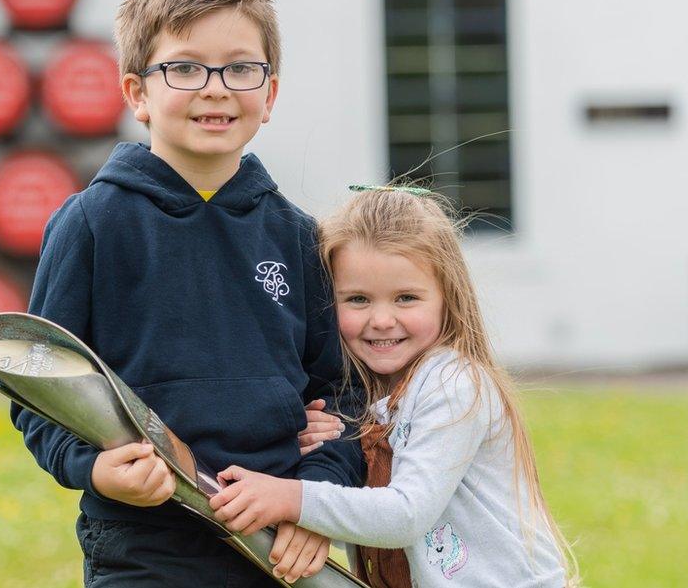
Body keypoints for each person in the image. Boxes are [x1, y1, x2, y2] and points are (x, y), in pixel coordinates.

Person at [12, 0, 363, 588]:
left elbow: (341, 393)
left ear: (271, 93)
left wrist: (314, 502)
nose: (215, 87)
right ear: (136, 93)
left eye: (240, 69)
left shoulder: (298, 237)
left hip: (279, 544)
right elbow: (39, 389)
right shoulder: (93, 224)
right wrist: (95, 468)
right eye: (184, 67)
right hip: (146, 548)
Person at [210, 186, 579, 587]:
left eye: (405, 297)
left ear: (447, 298)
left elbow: (406, 515)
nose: (382, 319)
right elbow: (363, 517)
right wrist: (305, 442)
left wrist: (290, 497)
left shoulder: (453, 384)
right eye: (357, 299)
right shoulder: (363, 398)